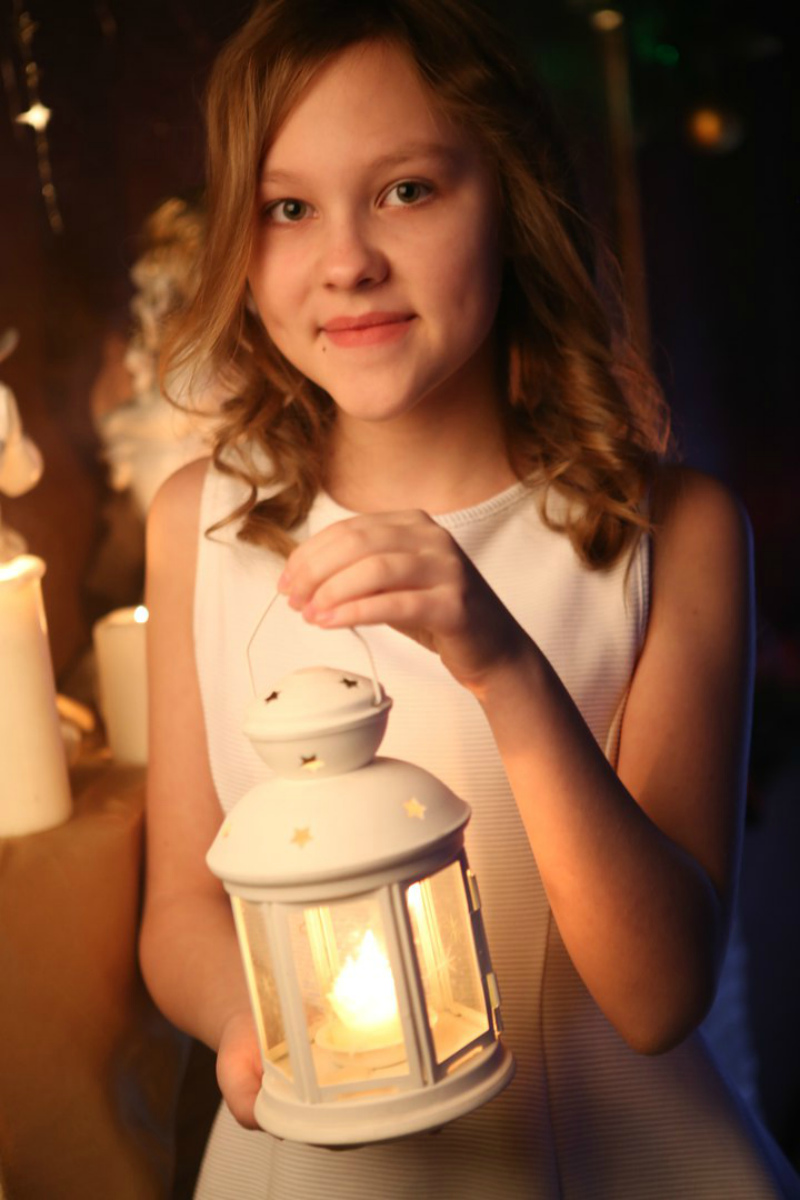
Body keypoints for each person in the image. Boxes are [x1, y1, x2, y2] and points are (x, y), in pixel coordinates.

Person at [139, 1, 800, 1195]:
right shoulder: (200, 526)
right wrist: (263, 1032)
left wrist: (503, 664)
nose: (346, 260)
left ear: (510, 197)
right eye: (288, 208)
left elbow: (656, 998)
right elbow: (181, 904)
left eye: (405, 190)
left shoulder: (670, 534)